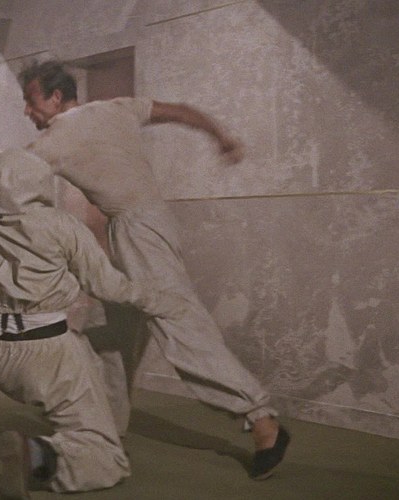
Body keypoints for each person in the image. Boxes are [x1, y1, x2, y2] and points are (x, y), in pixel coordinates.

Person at [19, 60, 290, 480]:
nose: (27, 111)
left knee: (181, 328)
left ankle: (261, 421)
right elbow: (180, 111)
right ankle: (104, 431)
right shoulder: (116, 108)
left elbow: (5, 179)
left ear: (55, 97)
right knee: (114, 338)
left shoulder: (56, 138)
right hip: (145, 226)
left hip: (139, 233)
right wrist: (220, 136)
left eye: (30, 100)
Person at [0, 148, 185, 498]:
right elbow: (107, 286)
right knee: (106, 458)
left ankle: (85, 426)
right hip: (48, 352)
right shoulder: (60, 225)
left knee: (87, 358)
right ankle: (37, 456)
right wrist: (159, 298)